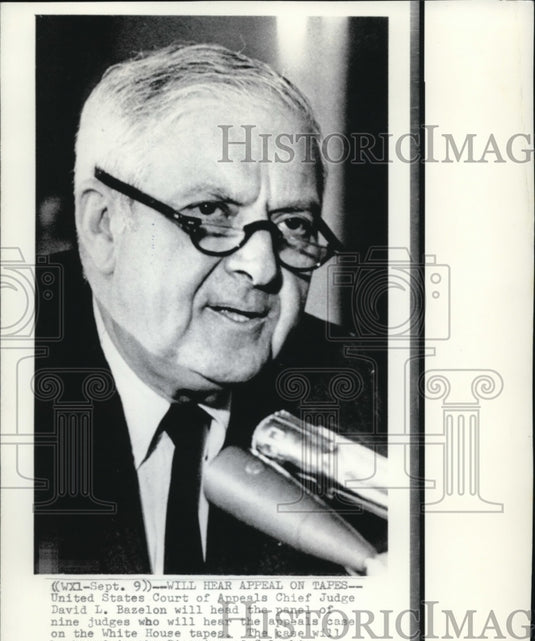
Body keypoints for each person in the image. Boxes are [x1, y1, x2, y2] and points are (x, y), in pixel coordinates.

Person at [34, 42, 386, 575]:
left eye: (293, 224)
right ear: (104, 225)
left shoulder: (375, 398)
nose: (262, 268)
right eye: (211, 212)